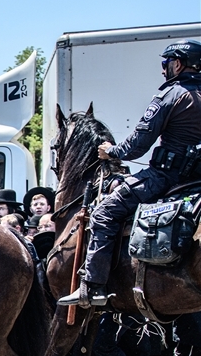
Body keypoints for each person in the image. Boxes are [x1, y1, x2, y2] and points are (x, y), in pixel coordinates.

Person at [60, 40, 201, 307]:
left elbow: (137, 145)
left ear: (178, 64)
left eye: (166, 64)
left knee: (104, 213)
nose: (163, 70)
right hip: (196, 181)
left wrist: (111, 151)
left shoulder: (170, 95)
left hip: (166, 178)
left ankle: (92, 287)